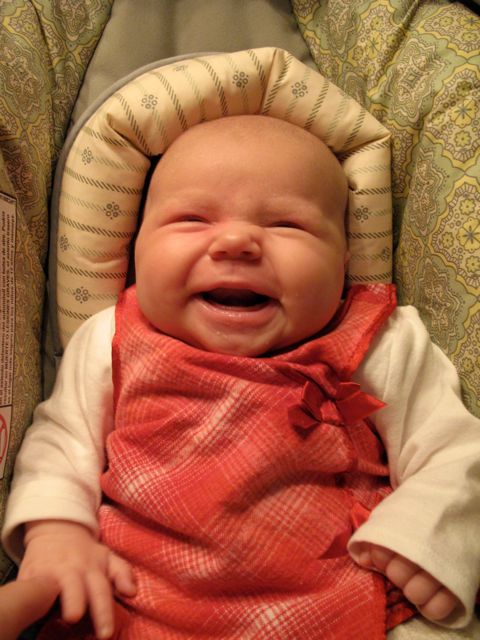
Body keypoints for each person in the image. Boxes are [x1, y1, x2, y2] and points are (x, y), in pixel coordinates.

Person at [2, 115, 480, 640]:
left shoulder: (375, 342)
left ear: (343, 260)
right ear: (136, 249)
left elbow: (453, 449)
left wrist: (425, 534)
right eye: (191, 219)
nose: (236, 241)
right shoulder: (111, 338)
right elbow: (63, 443)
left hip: (342, 596)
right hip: (135, 598)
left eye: (287, 225)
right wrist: (57, 531)